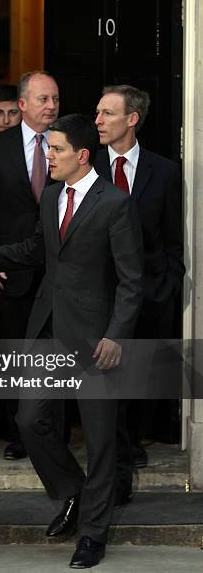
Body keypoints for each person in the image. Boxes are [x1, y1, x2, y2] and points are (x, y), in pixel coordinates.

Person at [0, 114, 144, 568]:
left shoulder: (115, 203)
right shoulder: (50, 197)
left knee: (102, 439)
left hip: (95, 340)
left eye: (55, 150)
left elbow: (131, 281)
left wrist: (114, 336)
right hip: (48, 328)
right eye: (48, 149)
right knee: (29, 421)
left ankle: (93, 534)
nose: (47, 156)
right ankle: (73, 491)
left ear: (81, 156)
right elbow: (34, 250)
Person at [95, 85, 185, 504]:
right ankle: (118, 461)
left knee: (139, 376)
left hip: (149, 290)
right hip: (99, 293)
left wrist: (168, 281)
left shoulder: (163, 171)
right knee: (105, 379)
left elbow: (172, 235)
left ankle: (131, 445)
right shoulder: (87, 165)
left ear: (132, 119)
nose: (98, 121)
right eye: (98, 113)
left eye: (107, 113)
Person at [0, 70, 59, 460]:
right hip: (6, 271)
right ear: (22, 106)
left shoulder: (68, 145)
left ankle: (41, 432)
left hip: (56, 271)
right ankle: (10, 428)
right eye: (44, 99)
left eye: (56, 99)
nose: (52, 106)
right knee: (6, 351)